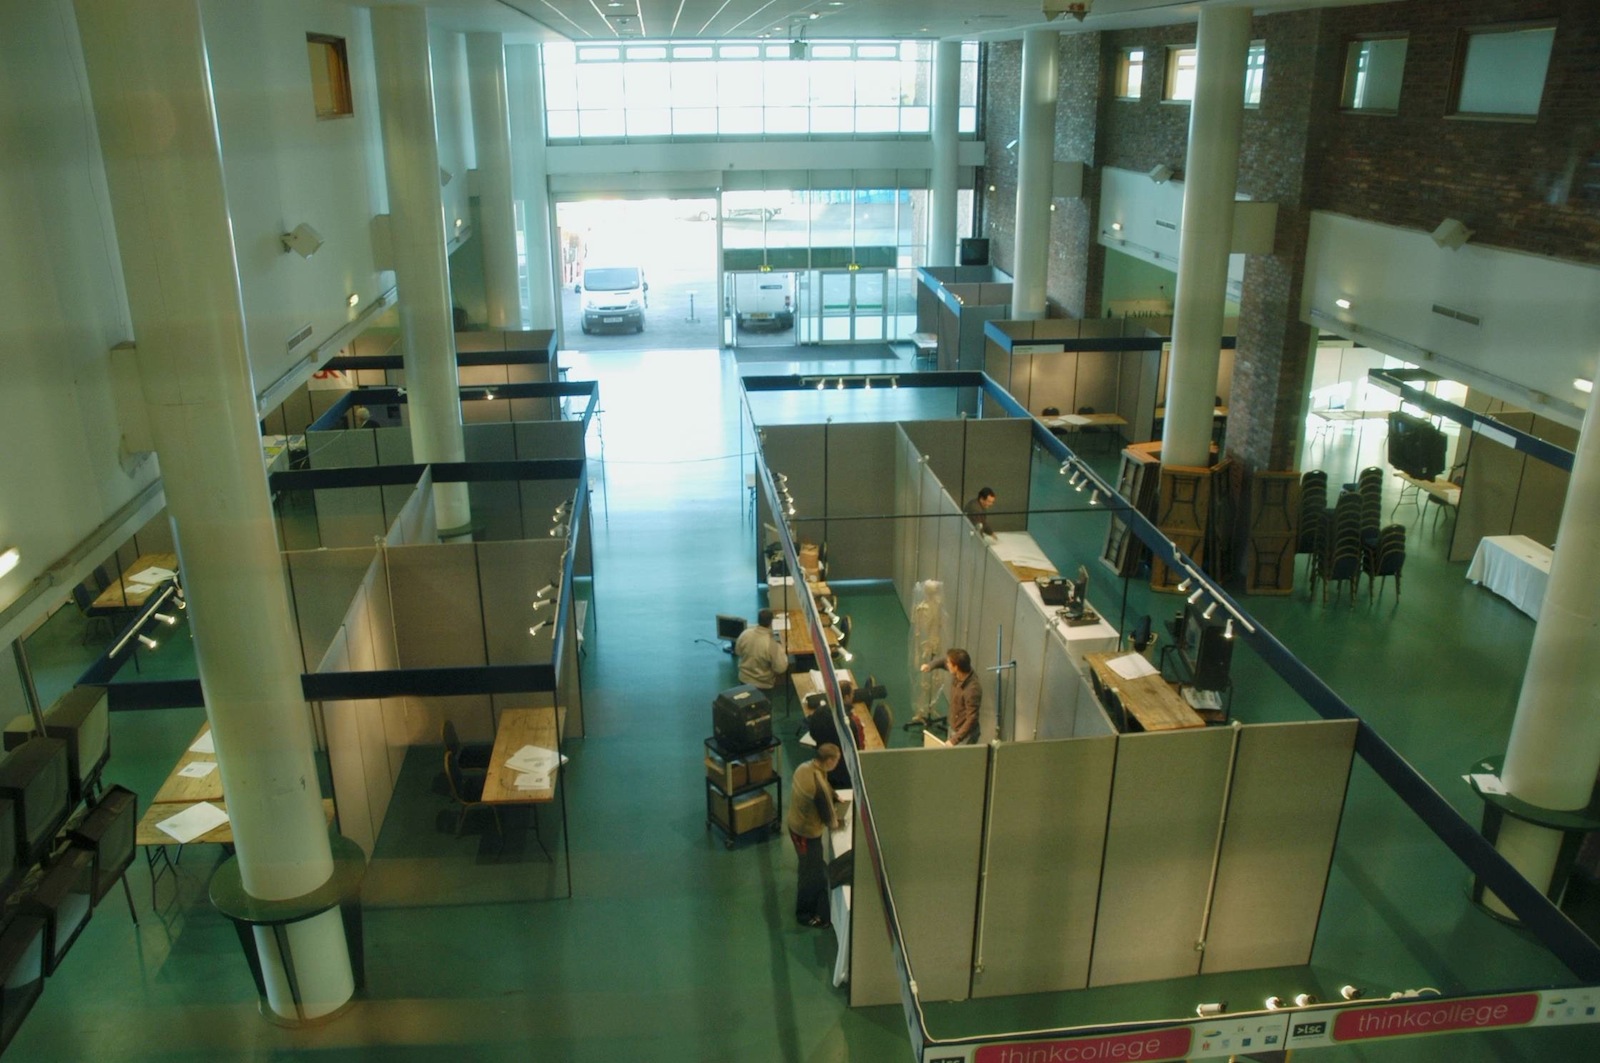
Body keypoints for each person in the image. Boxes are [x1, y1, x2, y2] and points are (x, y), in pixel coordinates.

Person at [787, 742, 846, 929]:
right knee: (808, 874)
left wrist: (835, 796)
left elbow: (824, 787)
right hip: (806, 834)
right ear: (829, 761)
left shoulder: (805, 767)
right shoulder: (817, 784)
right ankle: (804, 914)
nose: (838, 763)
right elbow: (830, 818)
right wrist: (838, 822)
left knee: (811, 867)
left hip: (794, 824)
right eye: (837, 760)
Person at [920, 648, 982, 745]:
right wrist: (930, 666)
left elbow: (972, 718)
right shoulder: (960, 671)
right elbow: (943, 661)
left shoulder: (972, 690)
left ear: (956, 667)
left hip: (965, 736)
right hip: (955, 727)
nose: (946, 664)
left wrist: (954, 740)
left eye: (949, 663)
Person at [734, 608, 789, 693]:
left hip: (743, 681)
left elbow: (737, 651)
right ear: (771, 622)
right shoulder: (772, 644)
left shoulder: (745, 634)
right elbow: (780, 668)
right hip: (763, 686)